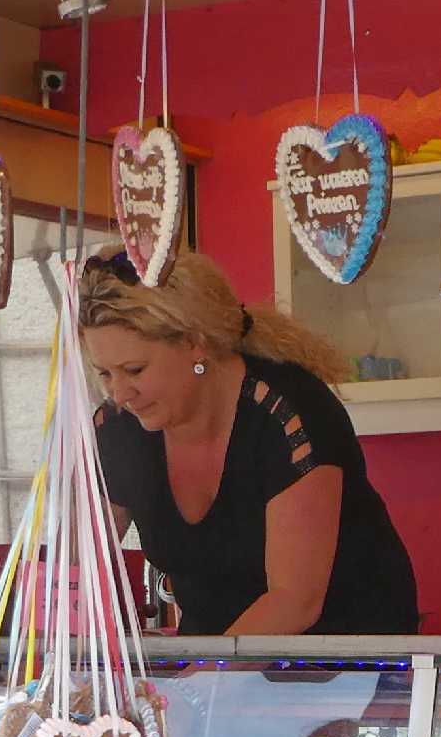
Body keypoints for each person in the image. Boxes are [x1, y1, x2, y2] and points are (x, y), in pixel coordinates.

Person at [84, 249, 421, 636]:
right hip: (216, 655)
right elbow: (83, 567)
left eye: (134, 370)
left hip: (345, 653)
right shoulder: (119, 427)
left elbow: (293, 602)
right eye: (104, 374)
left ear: (194, 343)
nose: (120, 393)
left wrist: (200, 671)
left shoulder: (289, 414)